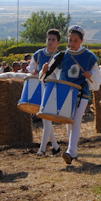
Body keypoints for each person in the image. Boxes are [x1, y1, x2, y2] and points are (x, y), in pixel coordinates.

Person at [40, 25, 100, 165]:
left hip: (81, 93)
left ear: (82, 41)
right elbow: (50, 75)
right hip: (65, 91)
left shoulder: (89, 56)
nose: (72, 43)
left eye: (75, 40)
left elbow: (96, 75)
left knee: (76, 121)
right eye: (70, 40)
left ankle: (70, 151)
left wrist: (90, 74)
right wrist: (45, 70)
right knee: (69, 122)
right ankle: (73, 151)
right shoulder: (61, 56)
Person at [29, 28, 62, 157]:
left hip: (53, 87)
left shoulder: (60, 57)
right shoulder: (38, 54)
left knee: (46, 118)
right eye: (49, 39)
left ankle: (42, 149)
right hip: (41, 86)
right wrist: (35, 71)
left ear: (58, 42)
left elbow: (59, 74)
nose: (50, 41)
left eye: (53, 40)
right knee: (45, 118)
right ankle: (55, 147)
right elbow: (32, 68)